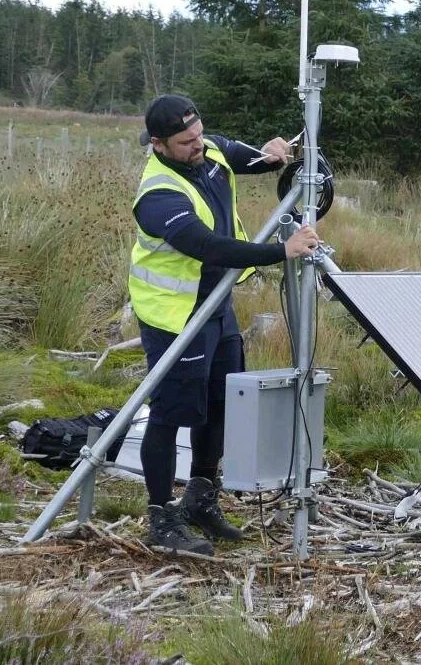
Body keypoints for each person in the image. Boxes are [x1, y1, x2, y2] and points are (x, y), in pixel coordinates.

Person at [128, 93, 319, 556]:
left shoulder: (208, 149)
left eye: (199, 134)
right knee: (172, 413)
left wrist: (275, 154)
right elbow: (208, 246)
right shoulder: (158, 195)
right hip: (175, 316)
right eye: (186, 142)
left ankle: (201, 500)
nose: (198, 146)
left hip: (217, 305)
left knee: (219, 404)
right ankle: (161, 517)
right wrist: (281, 251)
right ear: (158, 143)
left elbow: (244, 157)